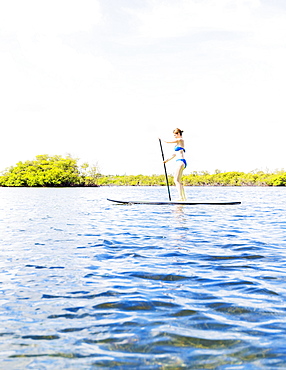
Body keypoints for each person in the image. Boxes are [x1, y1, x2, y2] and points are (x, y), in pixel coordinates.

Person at [163, 128, 187, 201]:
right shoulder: (178, 144)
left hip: (180, 161)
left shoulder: (180, 140)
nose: (174, 136)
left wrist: (160, 138)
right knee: (178, 180)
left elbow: (167, 142)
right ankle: (183, 197)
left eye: (175, 135)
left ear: (178, 134)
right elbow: (174, 154)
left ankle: (181, 197)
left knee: (176, 180)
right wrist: (167, 160)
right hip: (179, 161)